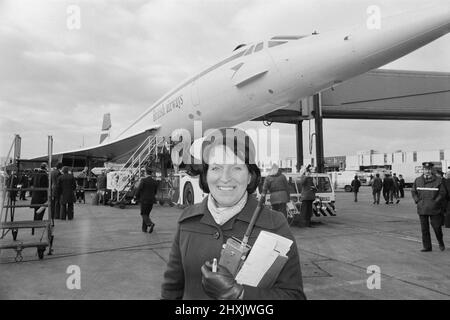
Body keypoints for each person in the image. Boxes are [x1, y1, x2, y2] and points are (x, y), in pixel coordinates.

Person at [161, 128, 305, 300]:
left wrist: (241, 295)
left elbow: (294, 296)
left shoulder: (275, 225)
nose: (225, 178)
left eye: (236, 168)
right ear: (206, 175)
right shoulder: (187, 221)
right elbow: (171, 291)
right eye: (216, 168)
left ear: (250, 176)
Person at [411, 162, 446, 252]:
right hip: (422, 208)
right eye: (425, 169)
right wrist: (417, 200)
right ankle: (427, 247)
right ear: (423, 170)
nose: (427, 171)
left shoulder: (439, 180)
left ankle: (440, 242)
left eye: (429, 169)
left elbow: (442, 193)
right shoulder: (418, 180)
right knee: (424, 229)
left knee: (437, 227)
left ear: (431, 170)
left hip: (435, 208)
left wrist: (435, 202)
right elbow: (413, 191)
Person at [134, 167, 158, 233]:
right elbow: (155, 192)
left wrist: (135, 196)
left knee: (143, 214)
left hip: (144, 200)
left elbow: (139, 189)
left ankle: (150, 224)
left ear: (145, 173)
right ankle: (144, 229)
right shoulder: (155, 182)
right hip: (151, 201)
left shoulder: (143, 180)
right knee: (146, 214)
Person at [30, 163, 48, 234]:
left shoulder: (36, 174)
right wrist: (45, 196)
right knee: (41, 209)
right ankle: (39, 223)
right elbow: (44, 186)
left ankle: (35, 221)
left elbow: (31, 182)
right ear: (45, 167)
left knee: (36, 209)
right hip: (41, 195)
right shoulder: (44, 175)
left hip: (35, 195)